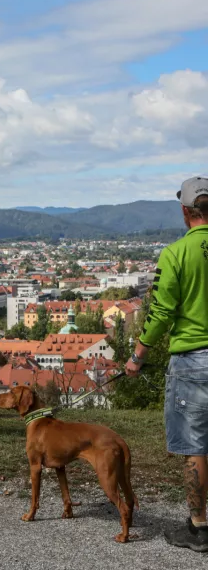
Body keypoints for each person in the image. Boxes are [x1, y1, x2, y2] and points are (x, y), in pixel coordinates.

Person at [126, 176, 208, 553]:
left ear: (185, 210)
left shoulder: (175, 254)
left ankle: (199, 527)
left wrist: (138, 355)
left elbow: (160, 311)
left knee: (196, 446)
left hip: (192, 360)